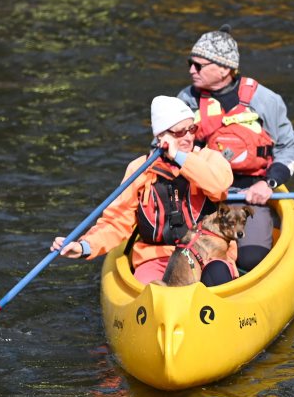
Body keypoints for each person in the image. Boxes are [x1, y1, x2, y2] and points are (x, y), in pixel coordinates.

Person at [52, 96, 235, 285]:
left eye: (192, 129)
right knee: (152, 290)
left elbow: (219, 187)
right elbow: (116, 221)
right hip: (156, 258)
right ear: (161, 136)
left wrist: (180, 157)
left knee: (218, 275)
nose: (188, 137)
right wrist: (84, 247)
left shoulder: (209, 159)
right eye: (180, 132)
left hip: (207, 252)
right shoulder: (139, 169)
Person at [177, 25, 294, 272]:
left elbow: (291, 148)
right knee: (190, 252)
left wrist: (268, 185)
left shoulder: (266, 101)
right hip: (202, 194)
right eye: (190, 63)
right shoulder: (186, 101)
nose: (192, 70)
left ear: (224, 68)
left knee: (251, 259)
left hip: (249, 193)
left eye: (199, 65)